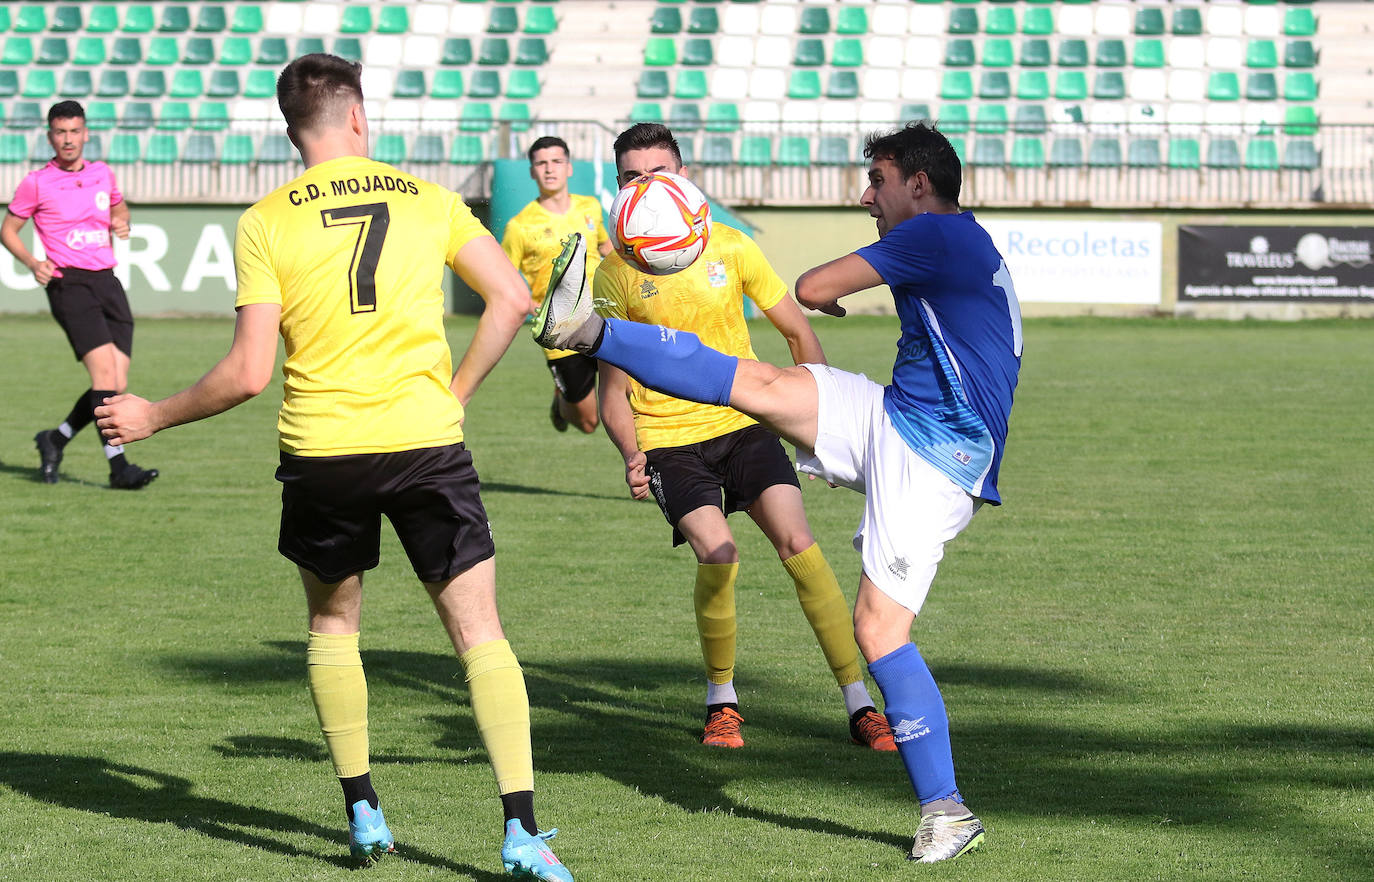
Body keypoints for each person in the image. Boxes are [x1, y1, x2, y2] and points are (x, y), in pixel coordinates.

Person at [95, 55, 573, 881]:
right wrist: (454, 391)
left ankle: (361, 812)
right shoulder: (427, 198)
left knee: (333, 628)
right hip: (427, 442)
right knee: (479, 636)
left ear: (292, 132)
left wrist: (152, 415)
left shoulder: (266, 221)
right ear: (357, 117)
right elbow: (514, 300)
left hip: (322, 454)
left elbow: (248, 374)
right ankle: (521, 833)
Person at [534, 121, 1021, 864]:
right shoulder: (959, 240)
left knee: (879, 631)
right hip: (901, 415)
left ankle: (947, 810)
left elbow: (814, 288)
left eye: (879, 182)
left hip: (936, 455)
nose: (868, 196)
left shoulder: (939, 235)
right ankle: (588, 330)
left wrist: (826, 296)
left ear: (919, 185)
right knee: (757, 382)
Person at [593, 124, 895, 753]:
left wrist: (816, 424)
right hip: (670, 441)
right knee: (719, 552)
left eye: (659, 174)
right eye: (631, 177)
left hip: (744, 424)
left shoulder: (730, 247)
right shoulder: (614, 273)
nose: (646, 187)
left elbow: (794, 331)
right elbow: (613, 389)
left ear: (683, 177)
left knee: (799, 543)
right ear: (617, 187)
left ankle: (859, 702)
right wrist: (631, 453)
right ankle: (721, 701)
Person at [2, 100, 158, 489]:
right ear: (50, 136)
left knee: (114, 384)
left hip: (107, 282)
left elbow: (119, 211)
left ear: (86, 133)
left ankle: (54, 440)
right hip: (68, 284)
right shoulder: (36, 182)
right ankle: (119, 467)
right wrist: (31, 262)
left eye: (74, 131)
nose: (68, 140)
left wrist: (122, 223)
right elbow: (8, 230)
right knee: (105, 375)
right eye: (60, 132)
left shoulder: (103, 173)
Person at [501, 136, 612, 434]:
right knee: (588, 423)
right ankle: (561, 401)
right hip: (560, 330)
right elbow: (503, 278)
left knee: (630, 387)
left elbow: (606, 247)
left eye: (556, 161)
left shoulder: (591, 207)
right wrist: (529, 305)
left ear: (569, 168)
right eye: (541, 163)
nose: (550, 169)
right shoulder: (520, 226)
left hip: (604, 318)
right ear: (532, 171)